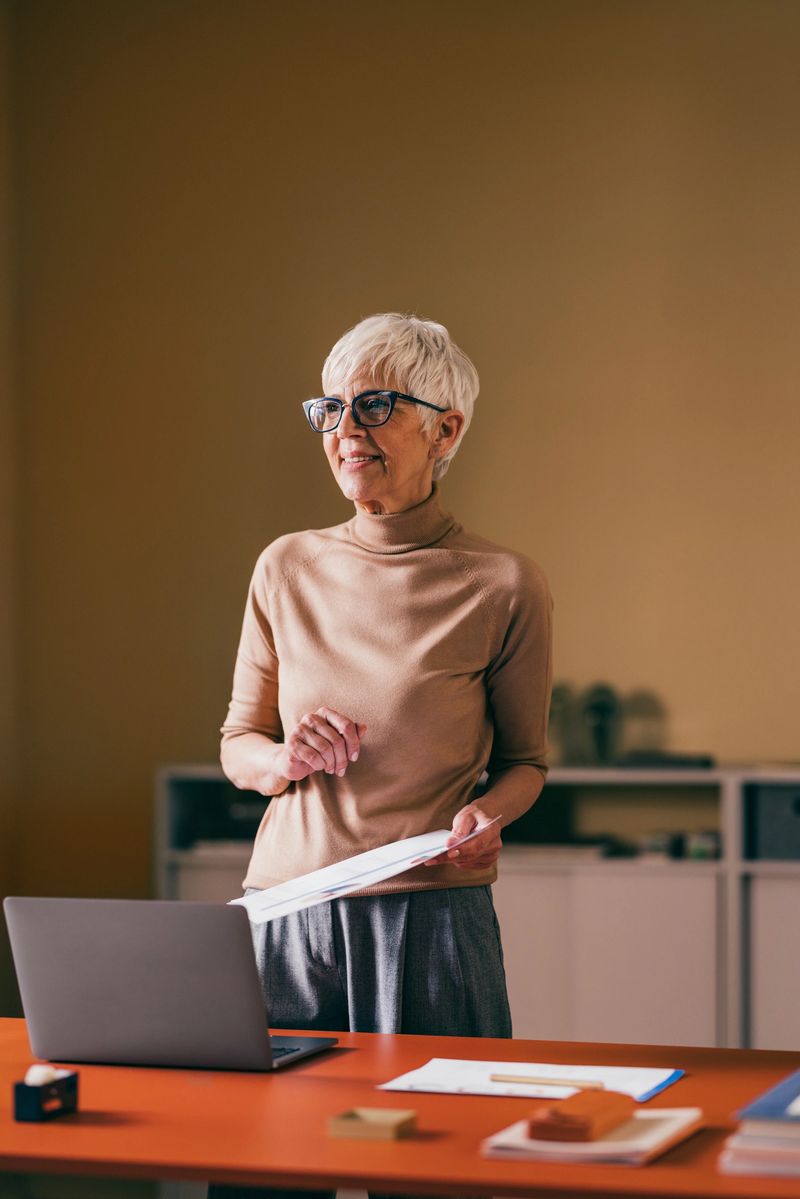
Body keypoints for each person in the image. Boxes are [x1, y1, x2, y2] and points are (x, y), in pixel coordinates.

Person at [211, 313, 552, 1199]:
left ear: (447, 428)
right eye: (330, 408)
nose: (345, 431)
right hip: (283, 915)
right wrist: (284, 760)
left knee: (441, 1174)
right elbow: (237, 743)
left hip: (430, 923)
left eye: (374, 405)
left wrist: (490, 818)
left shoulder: (504, 582)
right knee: (265, 1175)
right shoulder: (284, 565)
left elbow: (525, 761)